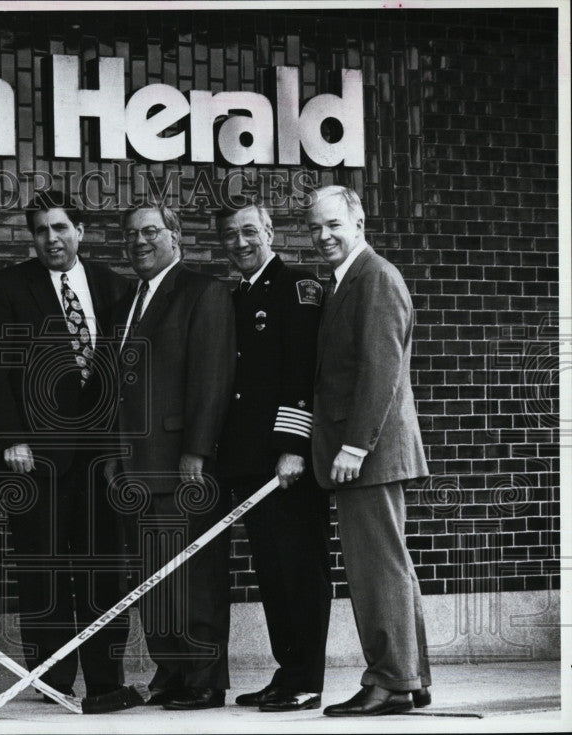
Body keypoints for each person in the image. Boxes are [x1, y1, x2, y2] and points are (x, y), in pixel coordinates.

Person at [0, 189, 130, 699]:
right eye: (41, 230)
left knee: (103, 569)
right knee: (41, 570)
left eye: (61, 227)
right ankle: (52, 678)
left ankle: (107, 679)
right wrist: (11, 438)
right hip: (36, 457)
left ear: (80, 231)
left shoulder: (115, 287)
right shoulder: (6, 287)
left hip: (102, 458)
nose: (51, 239)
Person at [307, 185, 432, 716]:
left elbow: (381, 371)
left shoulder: (375, 277)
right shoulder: (348, 281)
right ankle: (411, 677)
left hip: (368, 453)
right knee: (390, 565)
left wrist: (355, 445)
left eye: (333, 223)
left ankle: (389, 682)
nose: (323, 235)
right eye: (315, 227)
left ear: (358, 221)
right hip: (367, 451)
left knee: (375, 568)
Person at [106, 203, 235, 710]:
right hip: (135, 467)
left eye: (151, 231)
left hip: (183, 462)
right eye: (132, 234)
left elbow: (212, 378)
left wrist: (197, 452)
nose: (140, 241)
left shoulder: (203, 293)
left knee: (195, 576)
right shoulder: (125, 303)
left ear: (175, 236)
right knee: (155, 579)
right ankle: (171, 671)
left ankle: (204, 678)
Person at [214, 204, 332, 712]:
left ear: (269, 233)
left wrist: (292, 447)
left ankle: (306, 679)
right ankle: (287, 673)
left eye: (249, 232)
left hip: (287, 463)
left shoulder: (296, 286)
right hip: (252, 462)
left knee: (300, 570)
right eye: (230, 236)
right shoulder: (239, 295)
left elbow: (302, 371)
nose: (240, 243)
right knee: (272, 571)